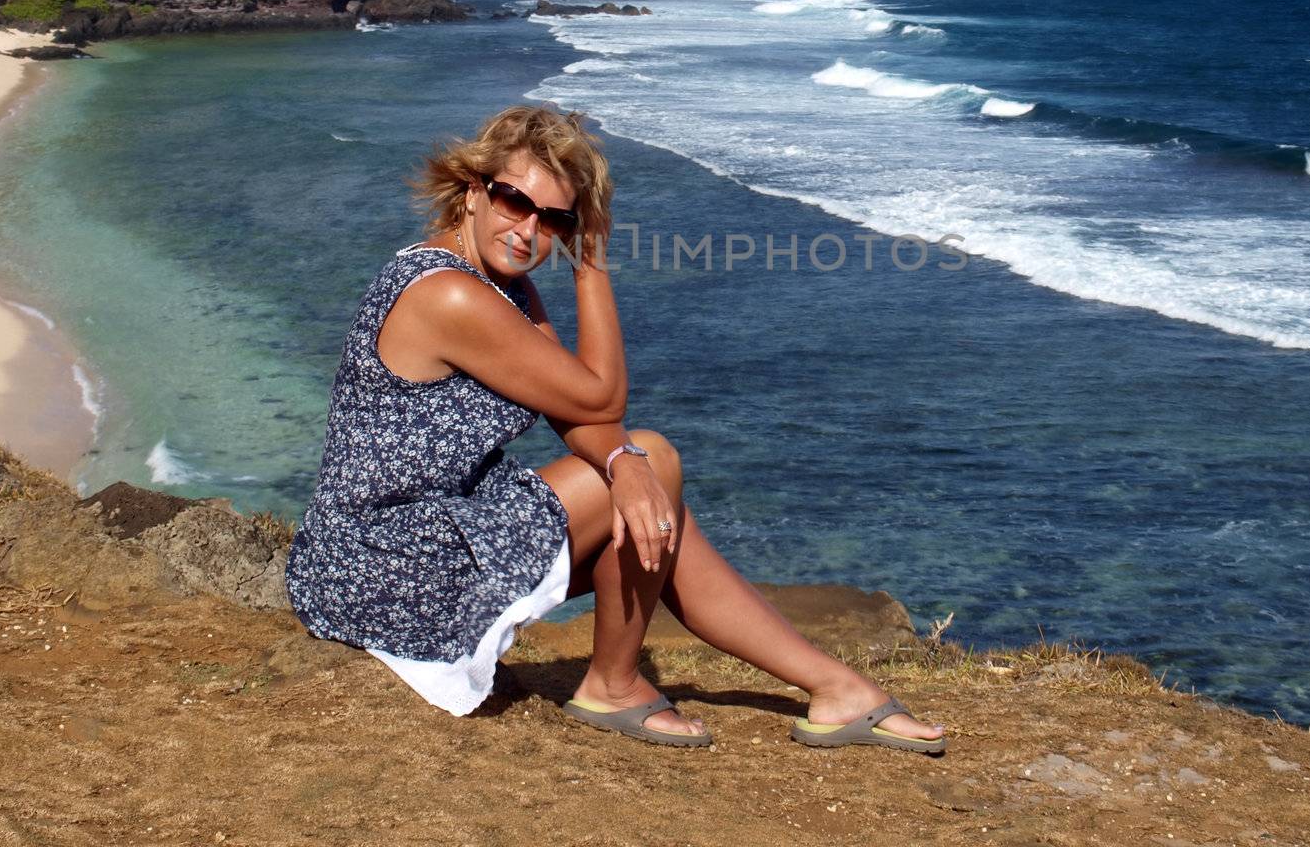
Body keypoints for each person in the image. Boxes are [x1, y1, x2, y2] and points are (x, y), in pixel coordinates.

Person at [285, 104, 945, 753]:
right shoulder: (449, 295)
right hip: (378, 567)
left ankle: (834, 688)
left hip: (397, 548)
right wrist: (592, 261)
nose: (528, 230)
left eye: (555, 220)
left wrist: (625, 466)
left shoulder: (498, 286)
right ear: (472, 191)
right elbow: (603, 394)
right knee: (652, 464)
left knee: (650, 493)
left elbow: (579, 415)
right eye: (514, 201)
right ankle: (615, 683)